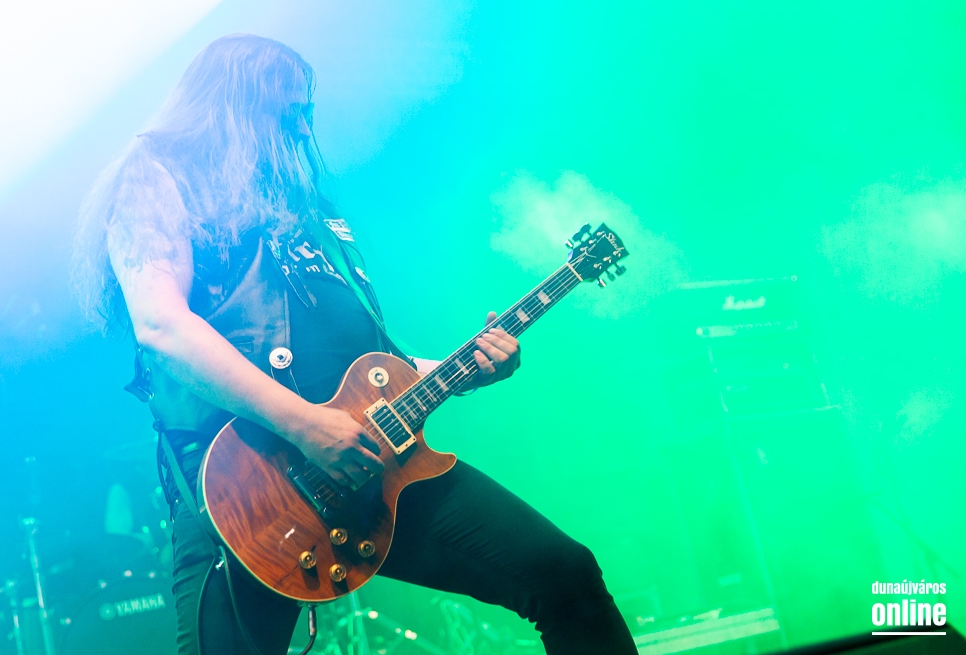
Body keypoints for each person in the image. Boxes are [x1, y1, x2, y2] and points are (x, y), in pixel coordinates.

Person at [73, 33, 637, 655]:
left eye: (306, 111)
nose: (303, 127)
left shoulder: (301, 207)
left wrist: (463, 368)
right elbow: (162, 327)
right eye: (288, 109)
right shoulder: (156, 175)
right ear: (234, 104)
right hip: (247, 484)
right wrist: (307, 426)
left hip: (373, 465)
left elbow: (366, 359)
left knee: (565, 575)